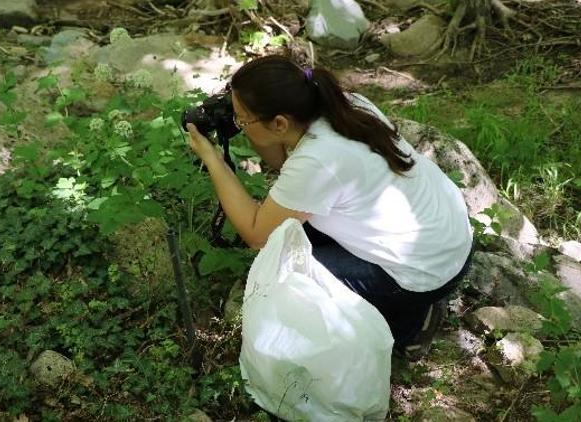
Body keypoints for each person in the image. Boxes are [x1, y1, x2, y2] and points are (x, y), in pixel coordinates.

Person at [185, 55, 474, 356]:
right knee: (291, 238)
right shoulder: (344, 104)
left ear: (280, 122)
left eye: (242, 118)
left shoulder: (319, 160)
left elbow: (257, 234)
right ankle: (403, 304)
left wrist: (212, 159)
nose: (238, 123)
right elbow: (283, 160)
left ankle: (408, 325)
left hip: (426, 272)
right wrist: (253, 125)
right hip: (450, 239)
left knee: (280, 278)